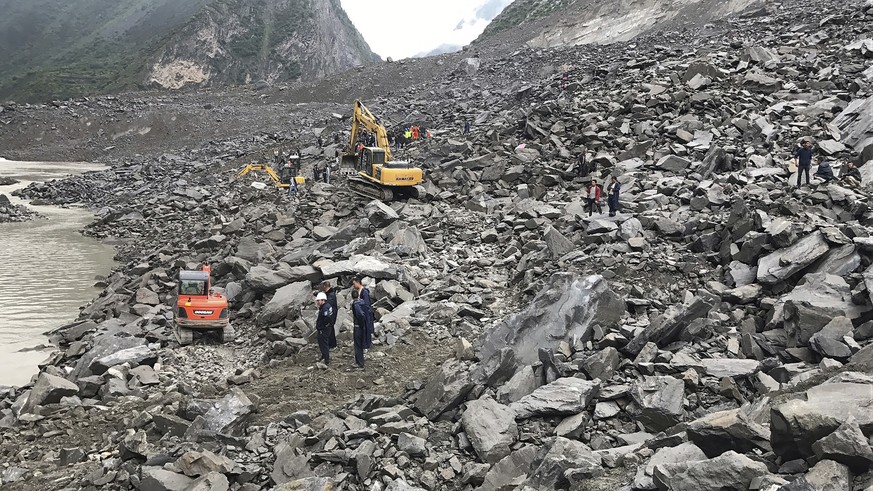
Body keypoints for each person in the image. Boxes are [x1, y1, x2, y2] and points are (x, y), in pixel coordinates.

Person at [352, 277, 374, 349]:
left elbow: (366, 305)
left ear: (358, 282)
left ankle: (366, 345)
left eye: (354, 284)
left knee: (366, 329)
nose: (353, 286)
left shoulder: (364, 292)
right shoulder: (359, 291)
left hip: (365, 314)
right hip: (362, 314)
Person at [314, 292, 334, 366]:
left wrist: (323, 325)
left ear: (322, 300)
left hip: (324, 329)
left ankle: (326, 360)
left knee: (324, 344)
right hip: (326, 328)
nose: (317, 302)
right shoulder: (327, 306)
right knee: (323, 343)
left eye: (318, 300)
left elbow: (327, 317)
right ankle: (324, 356)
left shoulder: (325, 308)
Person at [350, 289, 366, 369]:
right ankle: (360, 361)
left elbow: (360, 315)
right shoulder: (362, 302)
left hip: (358, 326)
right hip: (363, 326)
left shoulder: (355, 304)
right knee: (360, 344)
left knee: (357, 345)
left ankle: (359, 363)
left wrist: (359, 323)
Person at [321, 282, 338, 349]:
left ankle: (332, 344)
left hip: (331, 314)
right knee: (330, 329)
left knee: (330, 329)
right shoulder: (330, 294)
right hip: (331, 313)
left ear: (325, 286)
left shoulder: (331, 295)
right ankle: (331, 344)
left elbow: (328, 305)